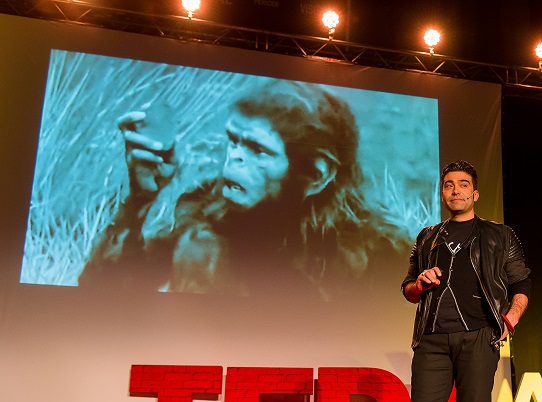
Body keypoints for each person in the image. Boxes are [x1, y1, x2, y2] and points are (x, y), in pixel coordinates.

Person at [79, 79, 378, 298]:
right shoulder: (207, 209)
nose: (234, 157)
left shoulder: (374, 243)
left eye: (257, 149)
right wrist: (139, 200)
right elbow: (102, 298)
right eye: (233, 141)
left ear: (316, 173)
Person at [377, 160, 531, 402]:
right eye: (449, 185)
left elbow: (522, 285)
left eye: (463, 185)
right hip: (431, 339)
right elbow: (408, 289)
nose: (456, 191)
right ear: (443, 192)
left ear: (475, 193)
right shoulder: (427, 236)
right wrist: (421, 283)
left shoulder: (499, 235)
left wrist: (509, 318)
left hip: (478, 337)